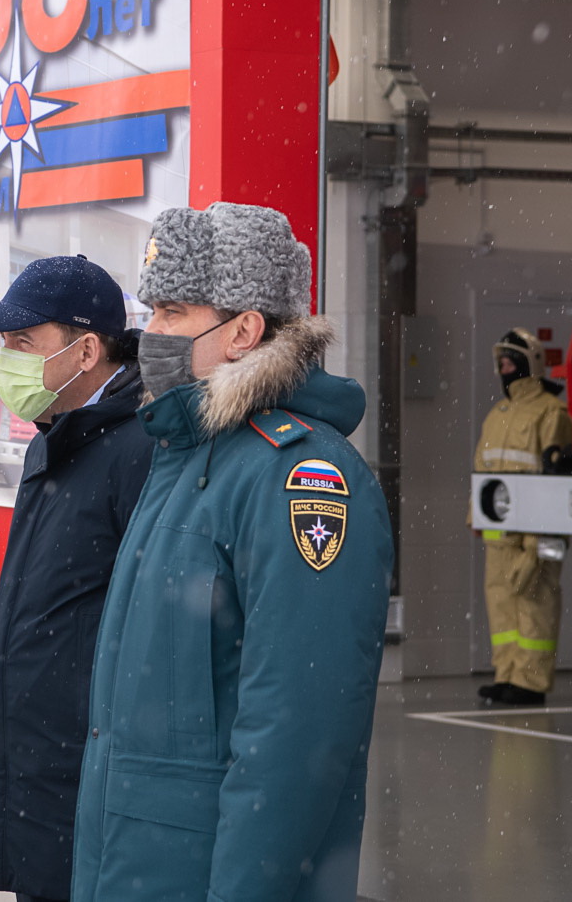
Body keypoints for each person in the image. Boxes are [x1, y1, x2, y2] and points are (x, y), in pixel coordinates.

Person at [71, 202, 394, 902]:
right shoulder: (183, 458)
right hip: (134, 869)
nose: (150, 332)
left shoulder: (303, 478)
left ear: (245, 330)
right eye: (151, 308)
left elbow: (295, 734)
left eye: (174, 311)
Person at [0, 256, 153, 902]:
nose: (4, 358)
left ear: (87, 349)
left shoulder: (139, 447)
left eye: (21, 341)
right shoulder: (54, 438)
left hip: (84, 781)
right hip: (34, 771)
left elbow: (144, 628)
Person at [474, 328, 572, 707]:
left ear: (530, 364)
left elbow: (555, 480)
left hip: (534, 533)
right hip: (499, 534)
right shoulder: (497, 415)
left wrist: (541, 539)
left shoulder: (551, 412)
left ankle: (531, 682)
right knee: (501, 605)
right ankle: (507, 675)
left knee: (535, 603)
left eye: (510, 362)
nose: (504, 369)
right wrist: (476, 516)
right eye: (501, 363)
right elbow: (482, 471)